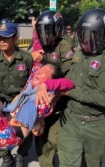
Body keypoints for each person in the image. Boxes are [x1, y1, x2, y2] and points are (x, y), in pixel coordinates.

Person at [35, 8, 105, 167]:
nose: (86, 42)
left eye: (92, 36)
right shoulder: (79, 53)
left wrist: (69, 91)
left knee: (91, 163)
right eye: (83, 36)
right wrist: (54, 94)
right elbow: (69, 79)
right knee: (67, 162)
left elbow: (104, 97)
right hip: (71, 119)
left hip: (95, 124)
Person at [0, 20, 33, 167]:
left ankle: (21, 155)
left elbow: (33, 81)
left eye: (6, 37)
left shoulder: (26, 58)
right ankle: (6, 156)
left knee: (27, 128)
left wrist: (23, 96)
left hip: (24, 99)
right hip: (2, 100)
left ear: (15, 38)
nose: (1, 41)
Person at [30, 10, 74, 167]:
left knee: (56, 140)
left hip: (59, 100)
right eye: (42, 32)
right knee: (41, 141)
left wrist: (54, 97)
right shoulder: (40, 44)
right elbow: (34, 69)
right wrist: (33, 55)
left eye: (48, 31)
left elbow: (70, 77)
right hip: (39, 100)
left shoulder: (64, 46)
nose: (45, 36)